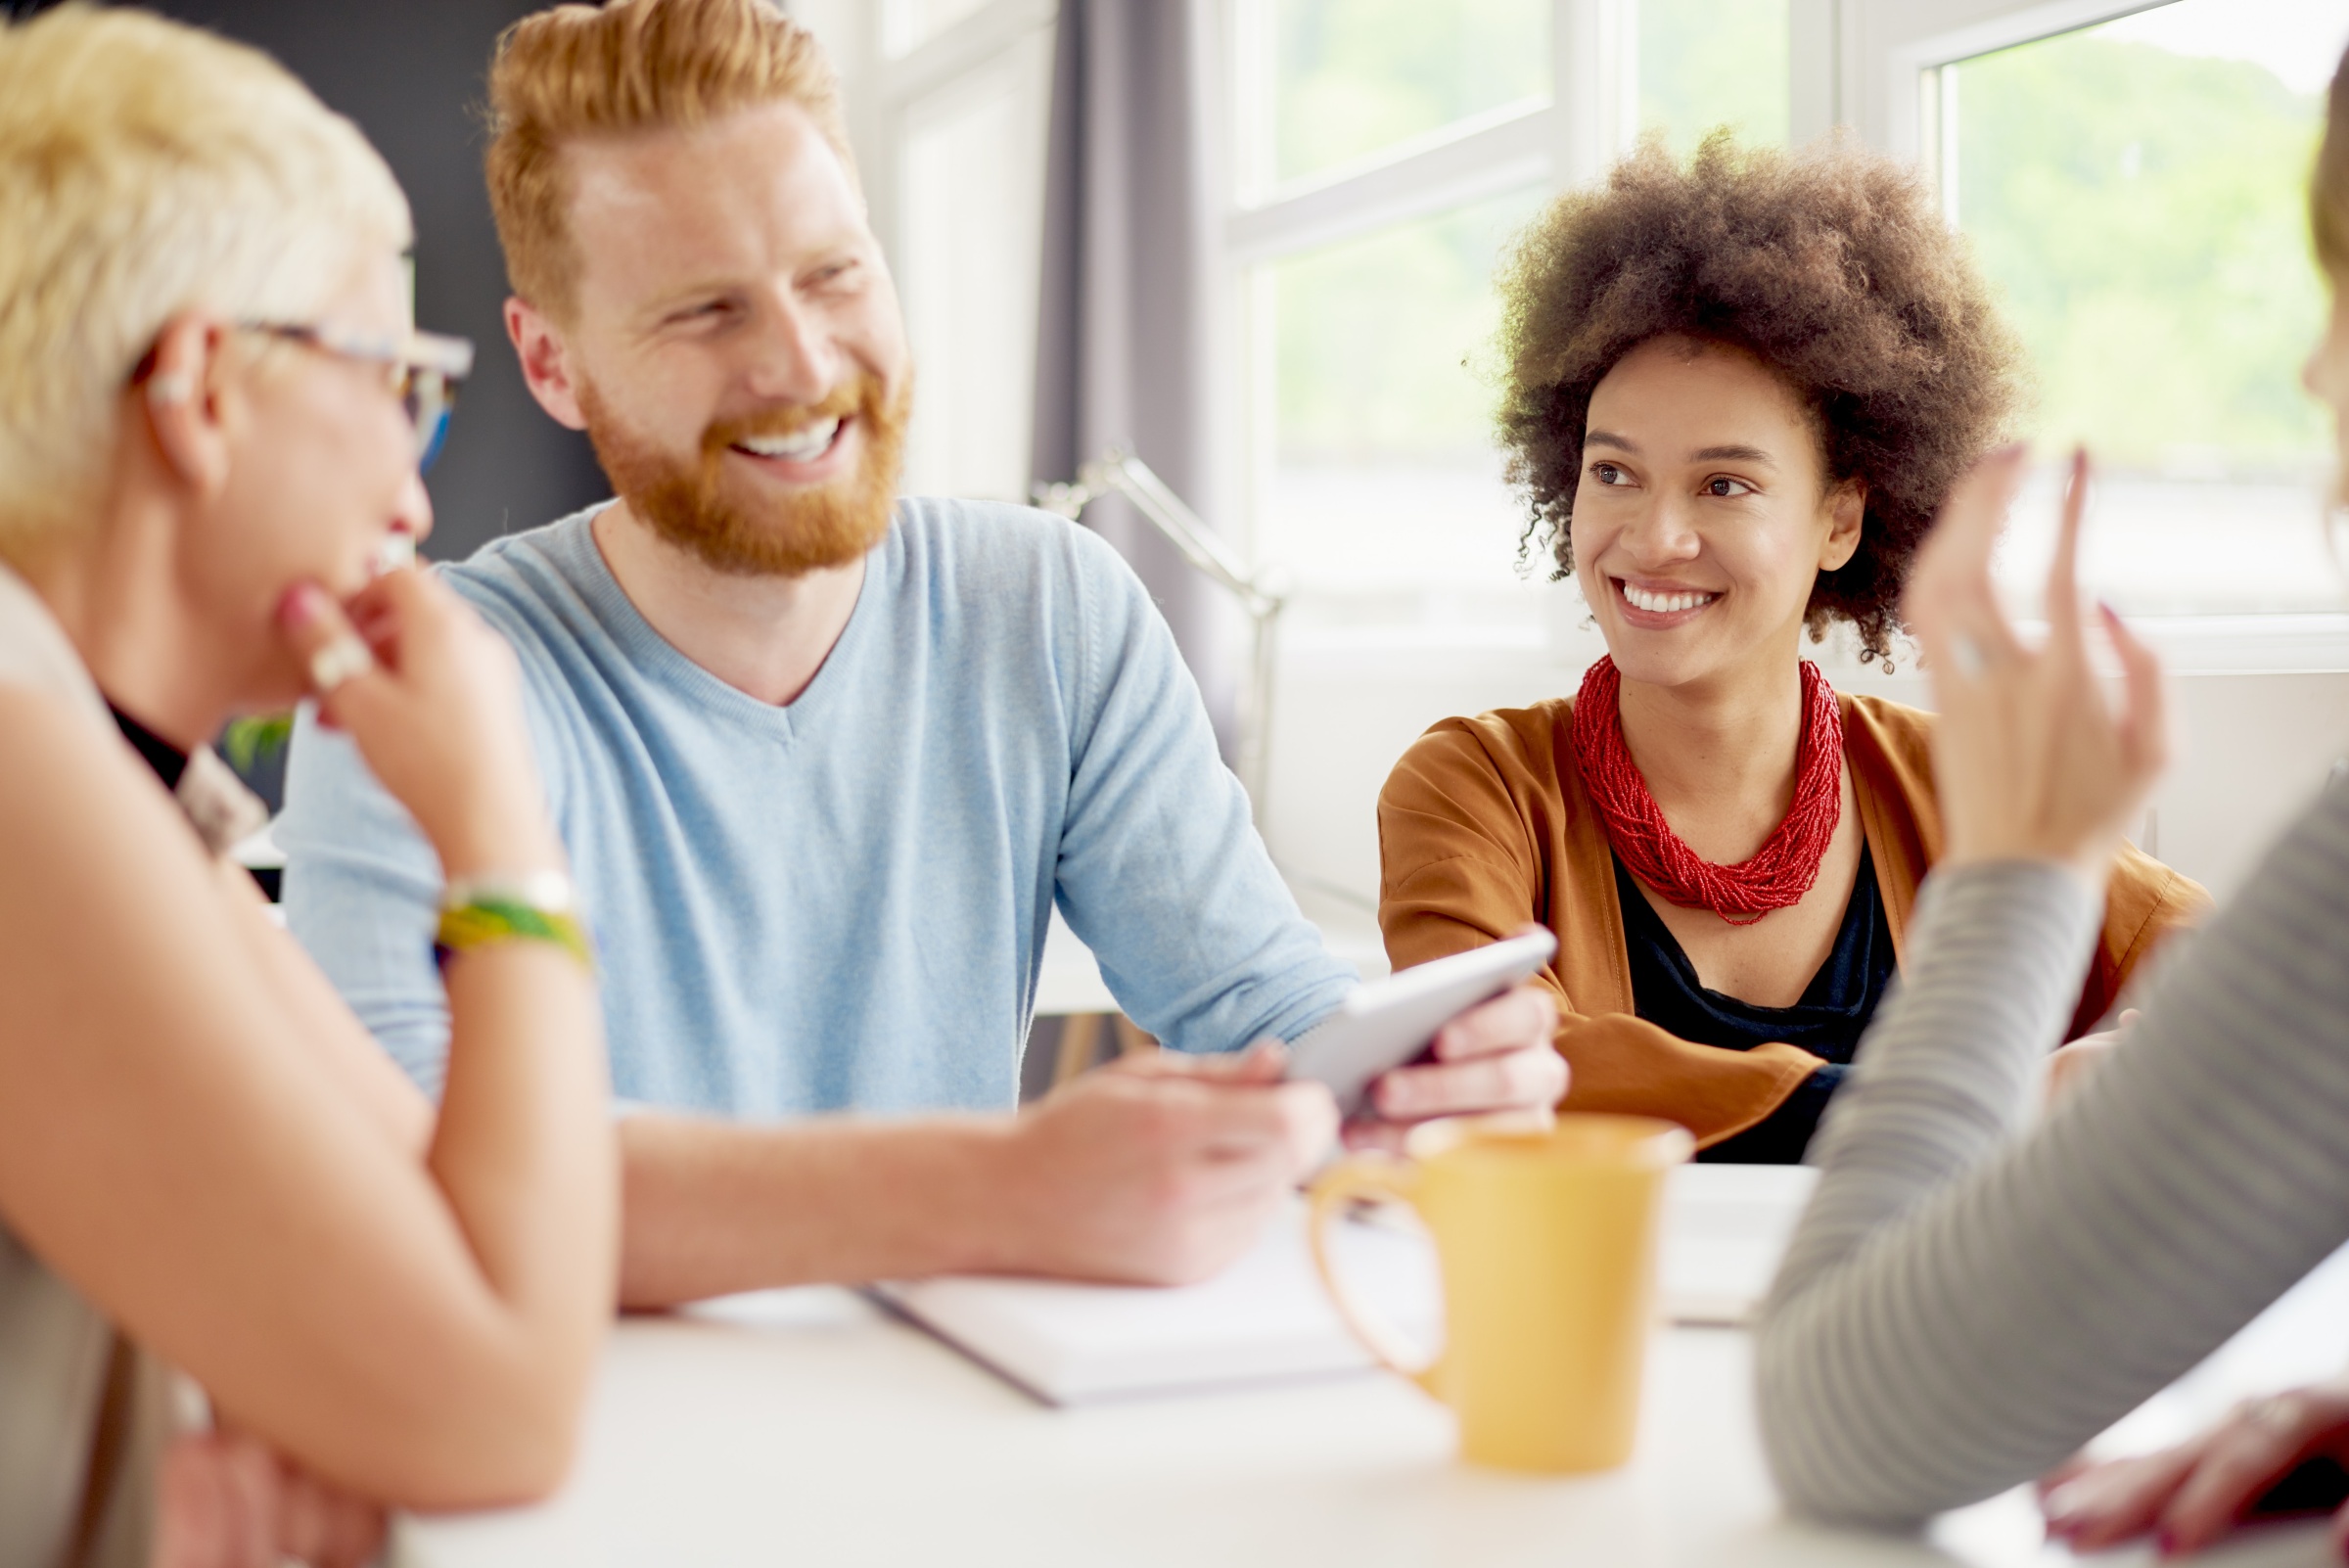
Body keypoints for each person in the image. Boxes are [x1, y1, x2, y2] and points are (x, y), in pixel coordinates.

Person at [275, 0, 1562, 1310]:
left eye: (835, 274)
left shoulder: (1053, 609)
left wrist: (1410, 1081)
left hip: (956, 1432)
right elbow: (407, 1178)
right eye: (707, 311)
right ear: (553, 364)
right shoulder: (418, 688)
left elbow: (1261, 1012)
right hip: (583, 1457)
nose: (801, 361)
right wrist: (1001, 1185)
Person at [0, 10, 618, 1566]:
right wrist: (500, 830)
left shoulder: (108, 774)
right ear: (202, 387)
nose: (416, 493)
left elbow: (431, 1215)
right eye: (400, 379)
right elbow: (502, 1406)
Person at [1755, 42, 2349, 1551]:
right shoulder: (1484, 766)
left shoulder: (1909, 767)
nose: (2316, 367)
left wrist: (2020, 869)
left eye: (2339, 281)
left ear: (1841, 522)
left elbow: (1843, 1414)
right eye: (1612, 474)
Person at [1375, 138, 2205, 1162]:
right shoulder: (1470, 788)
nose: (1653, 537)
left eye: (1725, 485)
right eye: (1615, 473)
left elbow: (2248, 977)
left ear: (1841, 522)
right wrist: (1984, 1105)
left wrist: (2138, 1066)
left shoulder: (1953, 784)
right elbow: (1515, 1068)